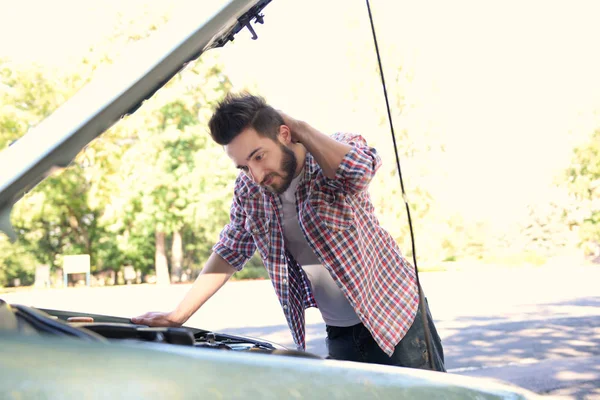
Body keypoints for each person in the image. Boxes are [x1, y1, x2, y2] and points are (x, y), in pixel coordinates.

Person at [132, 93, 445, 371]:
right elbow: (230, 249)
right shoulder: (250, 191)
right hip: (339, 333)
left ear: (284, 134)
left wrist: (303, 129)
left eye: (258, 156)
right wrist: (177, 316)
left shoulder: (329, 154)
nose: (255, 175)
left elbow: (360, 172)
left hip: (398, 320)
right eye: (244, 166)